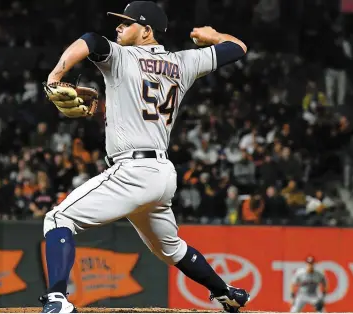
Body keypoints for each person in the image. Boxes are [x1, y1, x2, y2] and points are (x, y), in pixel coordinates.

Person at [40, 1, 249, 313]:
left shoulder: (121, 55)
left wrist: (56, 76)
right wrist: (215, 34)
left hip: (133, 170)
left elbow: (90, 40)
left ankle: (57, 299)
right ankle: (226, 293)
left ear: (146, 30)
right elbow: (238, 48)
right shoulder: (184, 63)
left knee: (58, 218)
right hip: (162, 173)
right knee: (171, 249)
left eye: (126, 23)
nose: (119, 28)